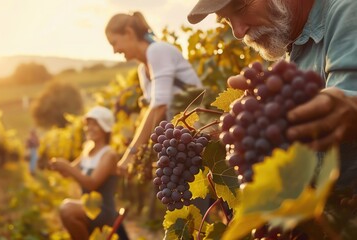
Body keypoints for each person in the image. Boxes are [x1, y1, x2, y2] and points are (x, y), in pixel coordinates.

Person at [187, 0, 357, 189]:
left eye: (241, 7)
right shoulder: (292, 54)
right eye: (226, 19)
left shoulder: (347, 11)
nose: (238, 32)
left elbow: (347, 102)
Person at [105, 11, 203, 174]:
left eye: (114, 43)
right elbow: (154, 114)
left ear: (129, 33)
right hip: (182, 144)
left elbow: (159, 106)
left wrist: (132, 153)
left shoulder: (157, 51)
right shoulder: (143, 71)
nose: (115, 50)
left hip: (199, 136)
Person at [49, 106, 126, 240]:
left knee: (67, 209)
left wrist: (67, 166)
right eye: (88, 124)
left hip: (102, 211)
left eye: (95, 124)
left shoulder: (109, 154)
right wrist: (59, 166)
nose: (89, 128)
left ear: (105, 128)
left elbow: (92, 183)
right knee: (68, 212)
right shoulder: (87, 150)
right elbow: (69, 173)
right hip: (88, 208)